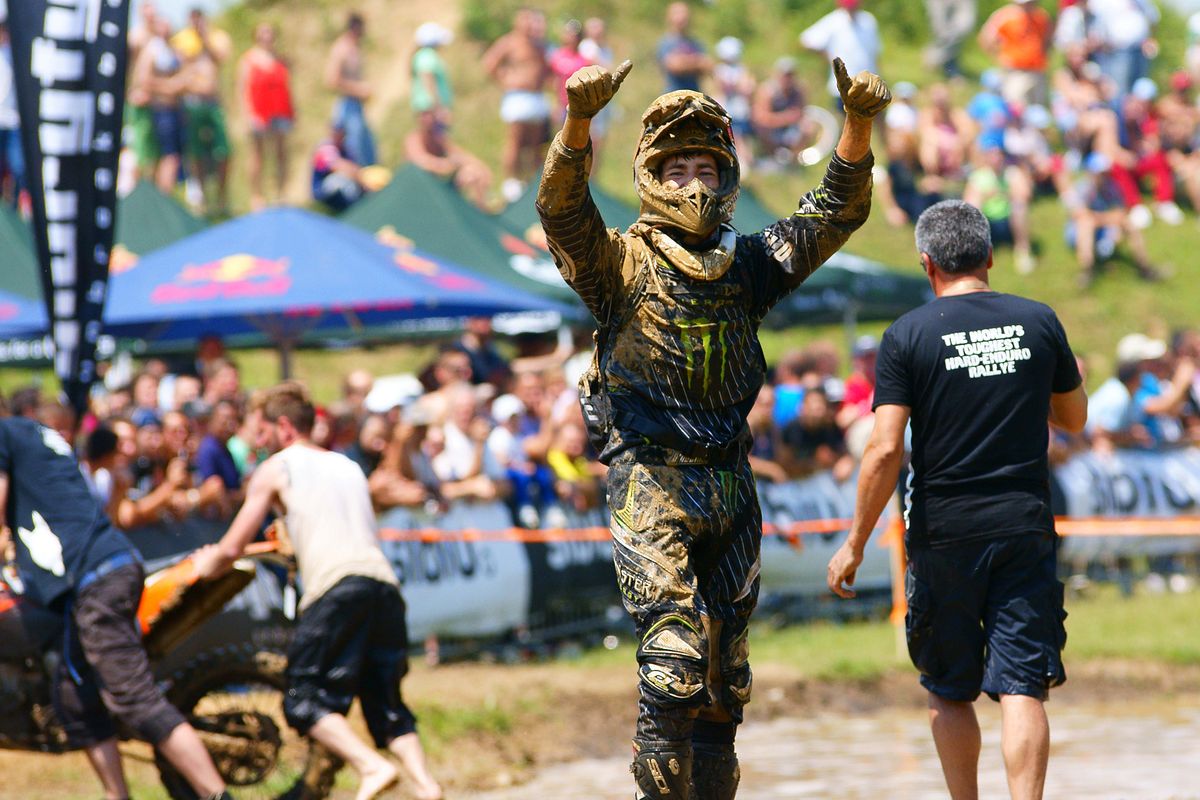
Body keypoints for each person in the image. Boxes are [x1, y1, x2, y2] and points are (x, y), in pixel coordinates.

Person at [537, 56, 889, 799]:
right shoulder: (621, 265)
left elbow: (832, 215)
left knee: (725, 682)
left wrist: (857, 124)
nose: (692, 182)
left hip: (731, 478)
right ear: (651, 178)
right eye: (676, 168)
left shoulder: (748, 264)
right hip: (653, 479)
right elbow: (562, 214)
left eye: (705, 165)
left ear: (727, 175)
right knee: (673, 660)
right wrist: (577, 122)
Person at [826, 199, 1087, 800]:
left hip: (943, 532)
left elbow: (885, 449)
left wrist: (855, 542)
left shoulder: (906, 336)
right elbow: (1072, 418)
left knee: (948, 688)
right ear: (990, 256)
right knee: (1023, 685)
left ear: (926, 264)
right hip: (1025, 523)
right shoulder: (1039, 319)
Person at [192, 383, 443, 800]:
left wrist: (206, 563)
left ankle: (371, 767)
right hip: (382, 585)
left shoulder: (277, 468)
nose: (257, 442)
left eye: (261, 431)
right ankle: (427, 786)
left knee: (302, 698)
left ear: (284, 427)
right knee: (387, 706)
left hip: (336, 588)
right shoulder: (346, 466)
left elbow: (233, 545)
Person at [0, 414, 232, 800]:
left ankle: (217, 795)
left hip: (95, 576)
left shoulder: (3, 435)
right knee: (74, 695)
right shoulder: (30, 430)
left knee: (134, 698)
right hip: (99, 573)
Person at [482, 8, 551, 202]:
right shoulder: (510, 42)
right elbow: (490, 63)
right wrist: (506, 80)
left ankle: (532, 182)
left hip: (536, 97)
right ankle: (511, 183)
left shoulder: (539, 45)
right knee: (516, 140)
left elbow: (546, 70)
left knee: (536, 144)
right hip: (518, 97)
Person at [173, 8, 232, 216]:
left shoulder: (215, 38)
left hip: (213, 103)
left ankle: (222, 198)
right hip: (193, 103)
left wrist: (204, 38)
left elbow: (219, 58)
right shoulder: (181, 40)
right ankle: (202, 198)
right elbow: (179, 67)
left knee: (223, 150)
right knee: (196, 151)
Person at [237, 23, 294, 210]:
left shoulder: (279, 59)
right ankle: (257, 196)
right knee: (257, 154)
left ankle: (281, 192)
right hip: (259, 111)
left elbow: (287, 86)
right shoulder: (248, 60)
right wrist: (247, 114)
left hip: (280, 110)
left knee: (280, 152)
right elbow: (242, 89)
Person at [800, 0, 881, 111]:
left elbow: (875, 51)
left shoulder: (868, 20)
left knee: (874, 119)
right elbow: (807, 40)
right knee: (846, 121)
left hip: (869, 85)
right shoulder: (834, 21)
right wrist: (828, 57)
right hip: (844, 84)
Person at [977, 0, 1052, 106]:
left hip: (1037, 70)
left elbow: (1047, 40)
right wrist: (999, 57)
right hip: (1016, 71)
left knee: (1036, 109)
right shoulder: (1006, 16)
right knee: (1016, 106)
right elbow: (986, 38)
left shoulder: (1041, 17)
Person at [326, 13, 376, 168]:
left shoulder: (354, 48)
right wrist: (358, 89)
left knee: (366, 148)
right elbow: (331, 80)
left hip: (356, 106)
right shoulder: (342, 48)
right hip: (347, 107)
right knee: (354, 150)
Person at [657, 2, 710, 94]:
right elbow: (674, 65)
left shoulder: (695, 42)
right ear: (669, 17)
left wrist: (684, 62)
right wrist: (696, 61)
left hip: (695, 96)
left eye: (684, 13)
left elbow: (707, 66)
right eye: (677, 13)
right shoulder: (666, 42)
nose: (682, 17)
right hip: (673, 97)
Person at [410, 22, 454, 118]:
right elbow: (427, 76)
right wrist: (438, 108)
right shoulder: (427, 55)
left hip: (429, 109)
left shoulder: (423, 55)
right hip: (430, 110)